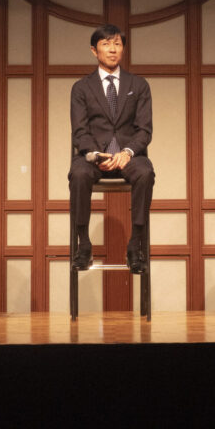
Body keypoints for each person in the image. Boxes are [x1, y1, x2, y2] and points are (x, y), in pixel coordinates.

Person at [69, 24, 154, 274]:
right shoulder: (81, 88)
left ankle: (135, 244)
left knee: (146, 173)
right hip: (95, 155)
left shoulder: (139, 85)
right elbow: (80, 131)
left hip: (129, 156)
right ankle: (84, 244)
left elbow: (144, 130)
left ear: (123, 49)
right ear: (94, 51)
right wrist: (97, 155)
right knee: (78, 174)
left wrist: (127, 152)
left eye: (117, 44)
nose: (112, 49)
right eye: (106, 44)